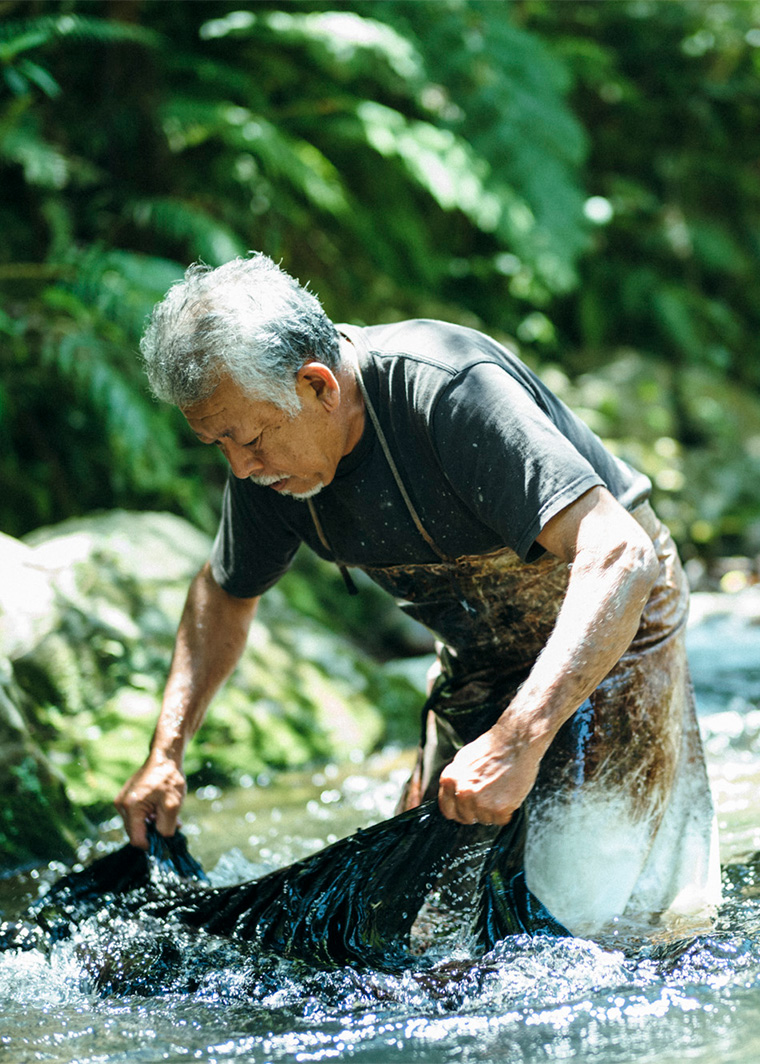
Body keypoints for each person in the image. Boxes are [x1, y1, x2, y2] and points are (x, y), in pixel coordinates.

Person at [115, 253, 721, 937]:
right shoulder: (270, 465)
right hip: (477, 659)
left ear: (318, 386)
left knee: (589, 918)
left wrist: (519, 740)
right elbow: (223, 593)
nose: (241, 467)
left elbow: (620, 555)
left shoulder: (451, 391)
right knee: (423, 925)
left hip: (614, 635)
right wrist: (166, 754)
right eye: (218, 444)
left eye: (249, 439)